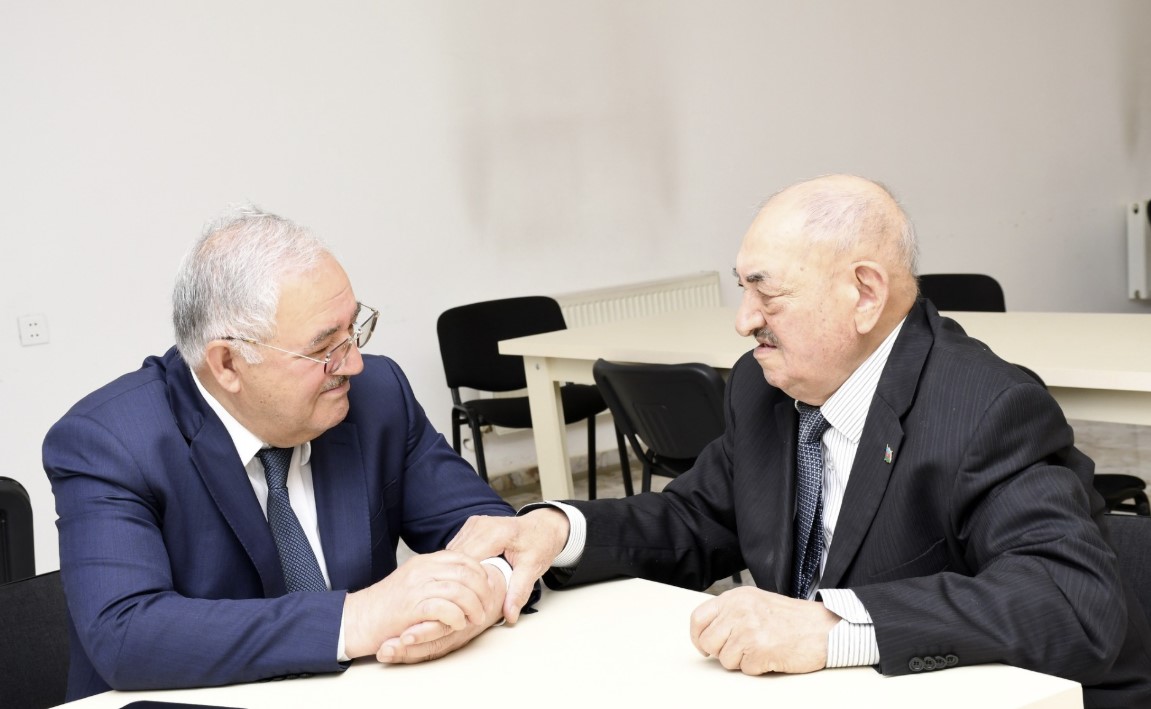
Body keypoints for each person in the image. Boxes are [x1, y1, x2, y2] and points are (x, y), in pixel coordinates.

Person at [445, 175, 1151, 708]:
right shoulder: (765, 390)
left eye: (767, 292)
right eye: (741, 289)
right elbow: (694, 518)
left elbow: (1069, 599)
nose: (743, 319)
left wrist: (830, 628)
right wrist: (555, 529)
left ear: (864, 293)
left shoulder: (986, 409)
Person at [43, 206, 521, 700]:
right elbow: (126, 634)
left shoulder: (376, 395)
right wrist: (358, 618)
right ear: (228, 364)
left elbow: (493, 530)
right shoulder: (110, 442)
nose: (353, 363)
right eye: (324, 348)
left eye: (354, 330)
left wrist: (488, 585)